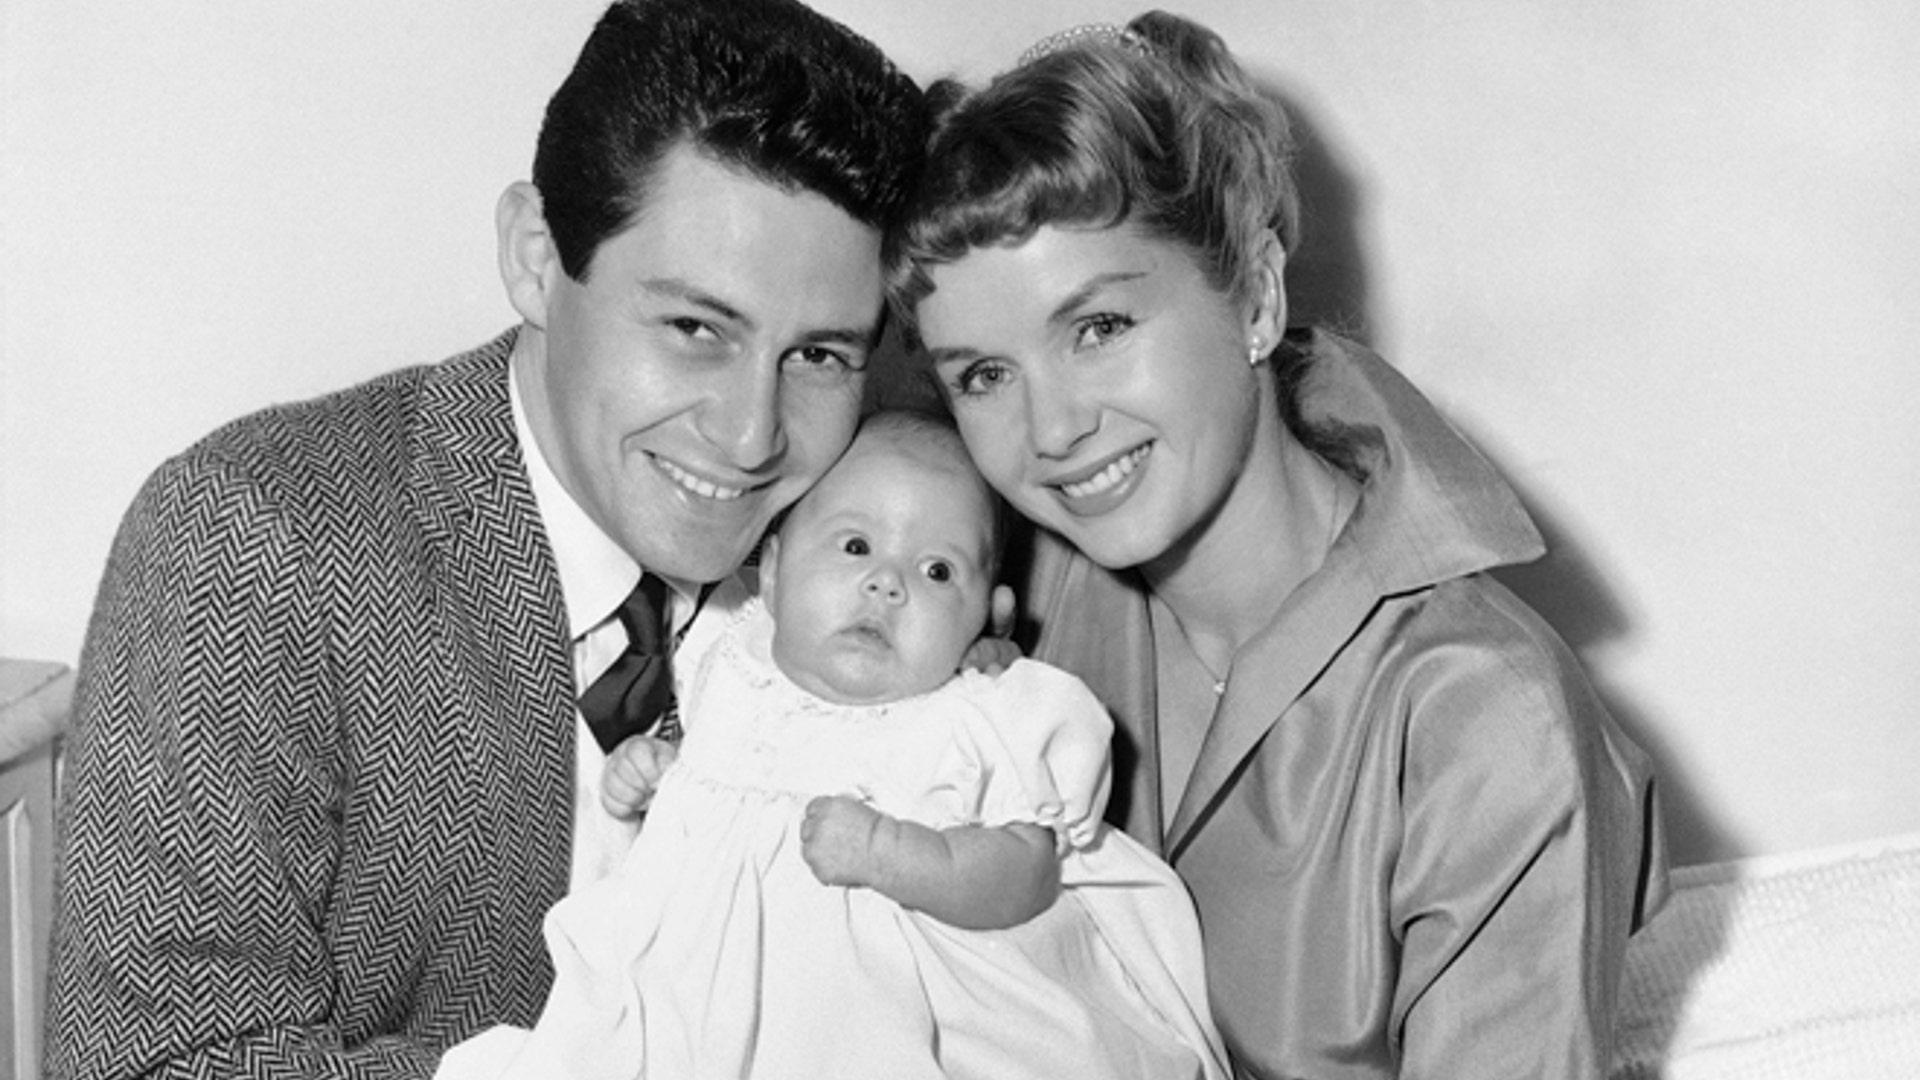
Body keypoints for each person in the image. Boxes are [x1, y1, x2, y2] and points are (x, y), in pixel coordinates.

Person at [44, 2, 928, 1076]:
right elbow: (162, 1061)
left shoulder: (878, 561)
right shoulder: (251, 537)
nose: (751, 437)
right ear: (534, 257)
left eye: (821, 356)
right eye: (696, 328)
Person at [888, 14, 1669, 1079]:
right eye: (983, 374)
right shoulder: (1007, 586)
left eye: (1100, 328)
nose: (1052, 429)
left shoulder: (1488, 721)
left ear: (1255, 299)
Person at [438, 411, 1229, 1080]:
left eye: (936, 569)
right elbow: (729, 807)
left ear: (991, 616)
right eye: (855, 547)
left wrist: (894, 854)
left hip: (893, 1019)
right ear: (774, 574)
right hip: (706, 1003)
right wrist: (666, 777)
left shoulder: (980, 717)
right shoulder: (734, 667)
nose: (888, 584)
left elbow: (1026, 872)